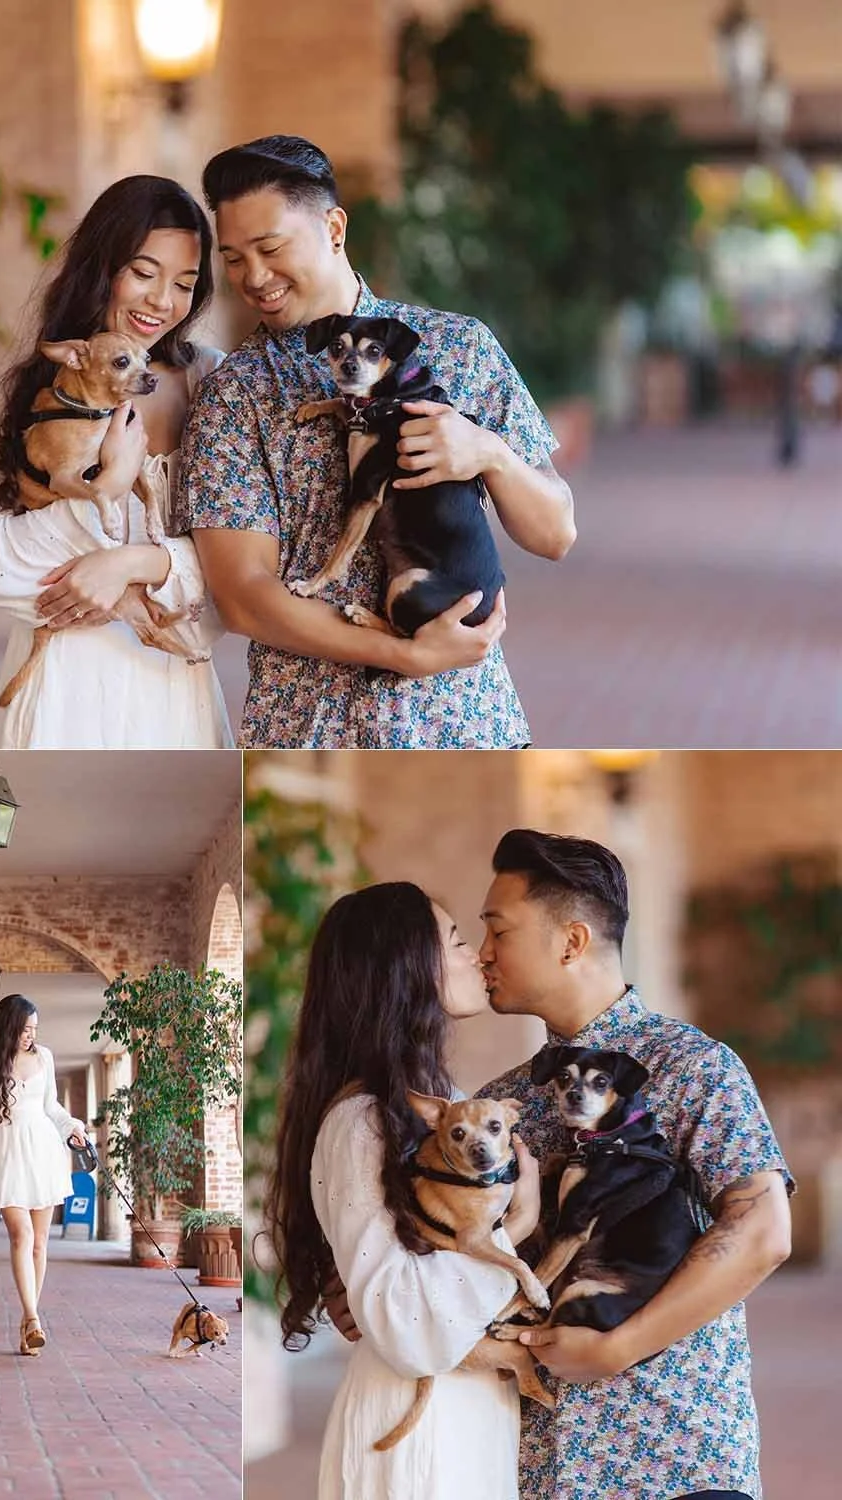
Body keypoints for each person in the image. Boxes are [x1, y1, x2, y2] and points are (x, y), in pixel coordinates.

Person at [328, 831, 794, 1500]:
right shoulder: (505, 1103)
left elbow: (762, 1234)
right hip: (540, 1462)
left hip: (675, 1452)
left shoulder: (692, 1065)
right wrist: (372, 1294)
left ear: (571, 942)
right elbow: (436, 1242)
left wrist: (616, 1348)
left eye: (498, 930)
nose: (482, 954)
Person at [180, 135, 577, 748]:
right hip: (311, 729)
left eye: (270, 247)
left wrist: (489, 453)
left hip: (465, 725)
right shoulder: (233, 395)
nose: (253, 277)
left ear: (334, 227)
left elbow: (555, 533)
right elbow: (244, 598)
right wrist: (402, 655)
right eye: (233, 258)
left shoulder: (460, 347)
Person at [266, 881, 544, 1499]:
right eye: (456, 940)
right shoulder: (363, 1120)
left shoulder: (426, 1108)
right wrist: (511, 1229)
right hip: (419, 1434)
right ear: (406, 971)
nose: (478, 954)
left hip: (456, 1416)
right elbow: (402, 1323)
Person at [0, 174, 233, 749]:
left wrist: (132, 564)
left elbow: (245, 565)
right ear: (102, 267)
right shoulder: (27, 394)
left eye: (184, 283)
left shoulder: (218, 382)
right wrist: (108, 482)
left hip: (172, 685)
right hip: (61, 683)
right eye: (143, 272)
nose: (162, 301)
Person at [0, 993, 89, 1356]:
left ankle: (27, 1321)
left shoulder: (44, 1057)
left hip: (45, 1150)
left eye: (34, 1029)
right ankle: (32, 1318)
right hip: (7, 1153)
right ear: (9, 1027)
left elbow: (51, 1106)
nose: (30, 1036)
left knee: (39, 1242)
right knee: (22, 1235)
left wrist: (72, 1128)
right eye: (24, 1029)